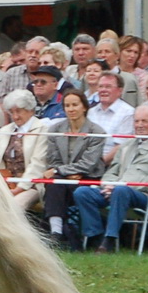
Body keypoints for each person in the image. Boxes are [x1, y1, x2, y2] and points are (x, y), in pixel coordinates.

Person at [73, 104, 148, 253]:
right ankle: (96, 237)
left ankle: (110, 239)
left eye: (144, 121)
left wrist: (122, 187)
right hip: (116, 191)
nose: (139, 125)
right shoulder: (127, 145)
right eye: (136, 121)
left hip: (145, 195)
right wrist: (108, 185)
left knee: (122, 191)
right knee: (82, 192)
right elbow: (111, 171)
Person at [39, 88, 106, 247]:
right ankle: (56, 233)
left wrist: (60, 171)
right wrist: (64, 172)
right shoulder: (55, 130)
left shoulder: (96, 132)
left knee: (56, 180)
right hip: (65, 178)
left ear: (84, 107)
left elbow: (88, 163)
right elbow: (52, 159)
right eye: (67, 106)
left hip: (88, 177)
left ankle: (60, 232)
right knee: (55, 184)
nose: (71, 109)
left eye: (75, 105)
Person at [87, 71, 135, 165]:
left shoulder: (128, 113)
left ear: (120, 91)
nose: (103, 90)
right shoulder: (91, 112)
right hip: (87, 163)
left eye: (108, 86)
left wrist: (98, 165)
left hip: (110, 165)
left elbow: (120, 147)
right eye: (100, 86)